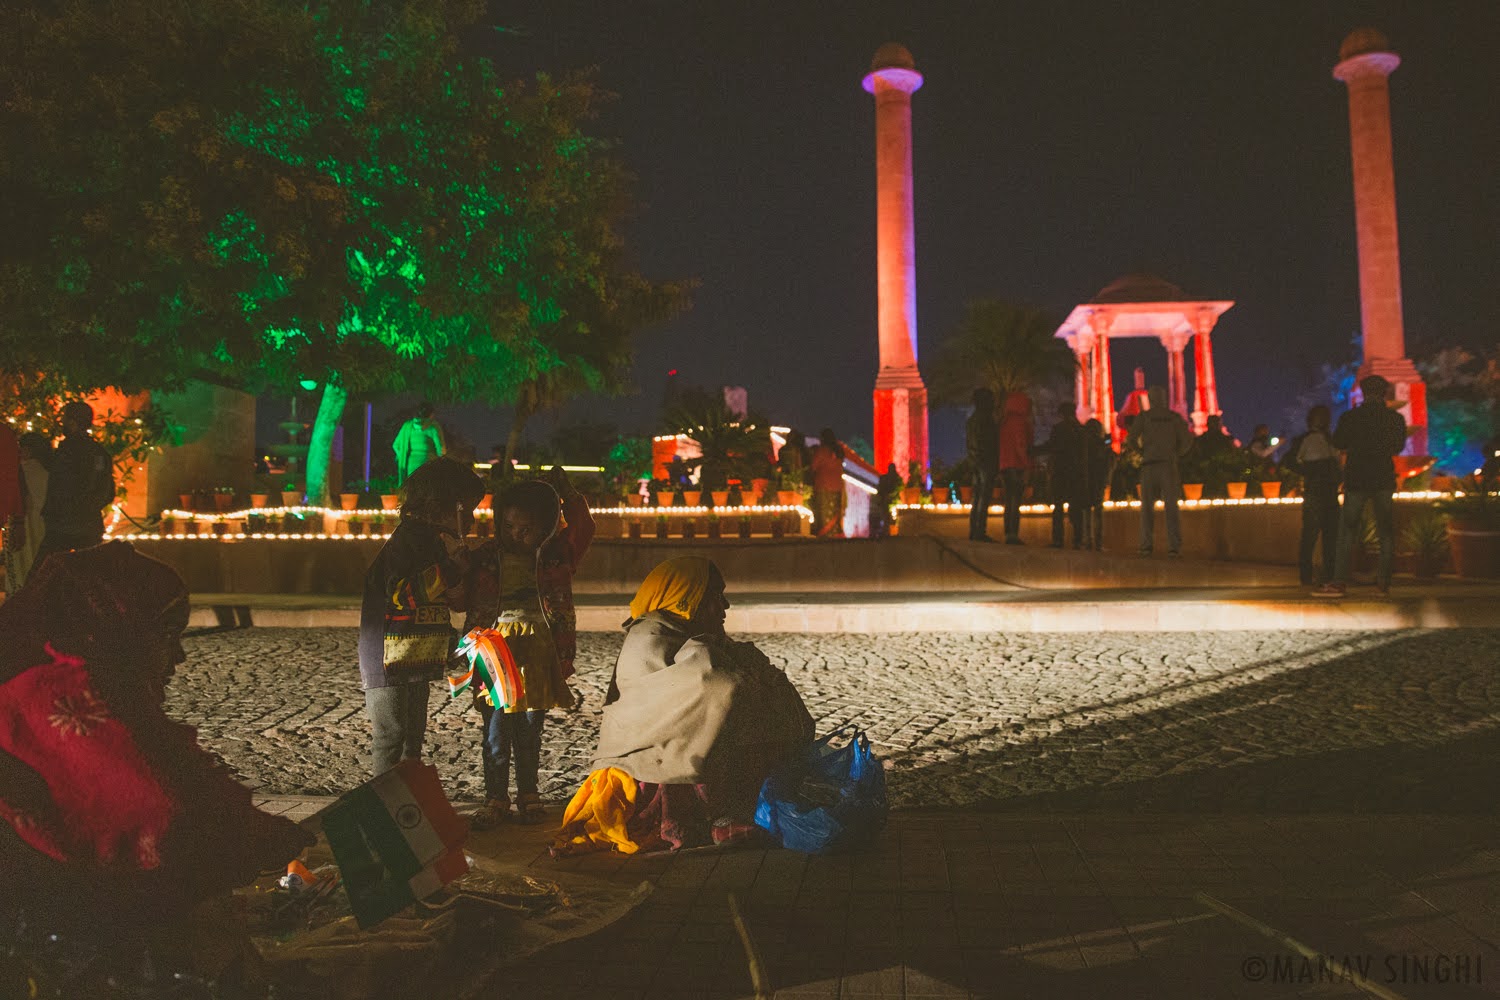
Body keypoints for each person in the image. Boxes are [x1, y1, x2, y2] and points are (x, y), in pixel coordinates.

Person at [0, 543, 313, 944]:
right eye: (165, 634)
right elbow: (159, 814)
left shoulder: (104, 685)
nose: (179, 656)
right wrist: (258, 837)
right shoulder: (52, 696)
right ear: (116, 625)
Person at [552, 557, 813, 855]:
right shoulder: (649, 636)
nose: (725, 605)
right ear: (685, 599)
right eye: (715, 595)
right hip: (645, 765)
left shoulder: (692, 632)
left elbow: (736, 667)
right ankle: (714, 816)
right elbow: (713, 684)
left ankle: (739, 807)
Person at [461, 467, 594, 827]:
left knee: (531, 727)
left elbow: (584, 527)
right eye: (508, 527)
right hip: (493, 649)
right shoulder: (486, 555)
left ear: (547, 526)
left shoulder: (557, 554)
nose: (515, 535)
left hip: (538, 650)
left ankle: (529, 793)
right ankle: (495, 797)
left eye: (526, 529)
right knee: (496, 727)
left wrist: (566, 491)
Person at [358, 457, 482, 776]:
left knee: (412, 741)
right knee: (391, 738)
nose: (471, 518)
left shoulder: (433, 543)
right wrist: (452, 570)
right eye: (466, 509)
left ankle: (408, 810)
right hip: (389, 659)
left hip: (416, 658)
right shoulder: (407, 542)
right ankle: (385, 810)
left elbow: (443, 601)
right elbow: (402, 594)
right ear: (441, 507)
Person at [1315, 375, 1408, 597]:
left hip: (1357, 477)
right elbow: (1398, 446)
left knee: (1347, 530)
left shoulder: (1351, 417)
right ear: (1384, 393)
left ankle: (1339, 581)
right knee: (1385, 531)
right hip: (1383, 477)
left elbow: (1338, 443)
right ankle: (1383, 582)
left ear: (1363, 393)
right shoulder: (1394, 418)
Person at [37, 401, 114, 559]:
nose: (62, 423)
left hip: (63, 525)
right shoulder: (99, 452)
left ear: (72, 422)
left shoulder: (68, 452)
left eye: (64, 419)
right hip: (89, 524)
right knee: (89, 574)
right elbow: (106, 490)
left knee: (45, 573)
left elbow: (61, 485)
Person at [1126, 385, 1193, 557]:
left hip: (1149, 464)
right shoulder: (1173, 417)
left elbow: (1131, 438)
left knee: (1147, 508)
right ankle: (1174, 546)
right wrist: (1176, 454)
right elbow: (1186, 441)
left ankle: (1146, 545)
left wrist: (1142, 452)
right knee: (1171, 507)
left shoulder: (1145, 417)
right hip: (1168, 465)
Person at [1283, 406, 1341, 586]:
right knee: (1311, 536)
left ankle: (1327, 574)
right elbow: (1288, 461)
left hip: (1328, 493)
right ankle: (1307, 575)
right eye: (1320, 417)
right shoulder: (1305, 440)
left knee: (1329, 537)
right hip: (1316, 493)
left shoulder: (1331, 440)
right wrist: (1309, 471)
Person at [4, 432, 52, 592]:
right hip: (45, 527)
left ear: (28, 450)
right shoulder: (51, 473)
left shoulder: (21, 471)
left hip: (22, 526)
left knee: (20, 567)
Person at [1038, 402, 1086, 548]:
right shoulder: (1080, 430)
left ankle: (1058, 539)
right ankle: (1078, 540)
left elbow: (1050, 446)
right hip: (1076, 473)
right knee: (1076, 507)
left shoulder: (1059, 429)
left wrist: (1031, 451)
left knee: (1058, 507)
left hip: (1060, 472)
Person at [997, 391, 1033, 545]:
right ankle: (1013, 534)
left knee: (1008, 501)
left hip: (1005, 466)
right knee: (1015, 501)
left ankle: (1008, 533)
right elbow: (1020, 445)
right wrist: (1026, 464)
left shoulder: (1004, 422)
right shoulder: (1019, 422)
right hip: (1016, 466)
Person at [965, 388, 999, 542]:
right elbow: (989, 443)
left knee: (977, 497)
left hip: (976, 462)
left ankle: (975, 531)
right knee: (983, 497)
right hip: (984, 462)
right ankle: (979, 531)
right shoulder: (985, 419)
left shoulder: (973, 419)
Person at [1080, 418, 1114, 550]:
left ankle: (1087, 540)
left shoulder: (1084, 445)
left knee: (1087, 512)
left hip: (1087, 481)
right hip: (1098, 481)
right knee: (1098, 512)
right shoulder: (1102, 444)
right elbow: (1108, 457)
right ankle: (1098, 543)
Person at [393, 402, 446, 483]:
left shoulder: (407, 427)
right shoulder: (433, 427)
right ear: (431, 415)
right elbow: (441, 450)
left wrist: (402, 457)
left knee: (412, 490)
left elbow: (396, 445)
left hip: (411, 467)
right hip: (429, 466)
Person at [809, 428, 845, 538]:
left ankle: (824, 539)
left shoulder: (822, 451)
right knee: (834, 515)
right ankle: (835, 537)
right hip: (837, 488)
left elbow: (813, 466)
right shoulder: (839, 452)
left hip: (823, 487)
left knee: (823, 517)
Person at [870, 462, 903, 539]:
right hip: (891, 503)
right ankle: (891, 532)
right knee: (890, 519)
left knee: (887, 519)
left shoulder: (884, 478)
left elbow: (880, 490)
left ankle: (888, 532)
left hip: (887, 503)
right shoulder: (897, 479)